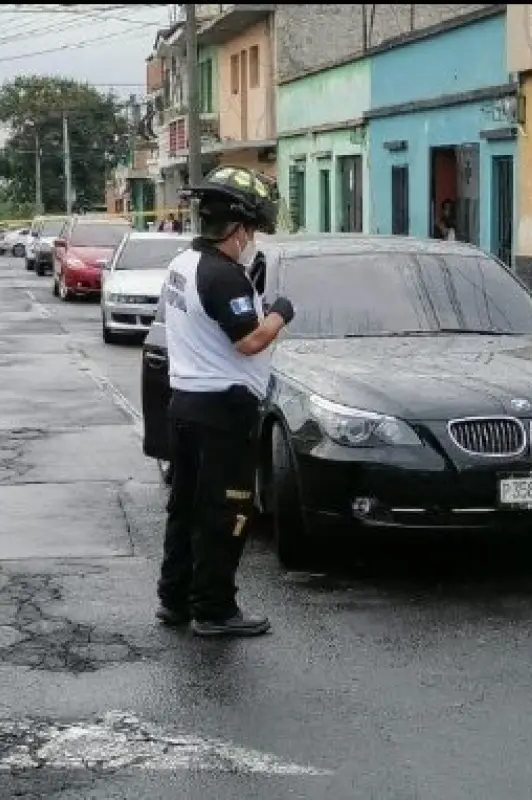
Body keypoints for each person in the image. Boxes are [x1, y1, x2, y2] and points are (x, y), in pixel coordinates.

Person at [156, 164, 294, 638]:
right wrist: (279, 313)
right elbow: (250, 342)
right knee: (226, 512)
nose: (252, 237)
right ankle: (214, 609)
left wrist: (246, 286)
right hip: (222, 413)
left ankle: (174, 600)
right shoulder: (222, 277)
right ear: (235, 227)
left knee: (186, 508)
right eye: (251, 228)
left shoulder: (183, 264)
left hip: (186, 406)